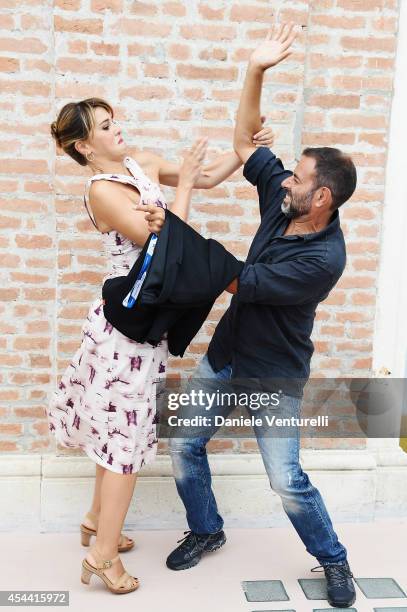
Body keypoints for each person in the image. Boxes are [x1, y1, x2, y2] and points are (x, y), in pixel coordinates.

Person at [47, 97, 275, 594]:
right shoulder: (104, 192)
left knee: (114, 432)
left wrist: (244, 150)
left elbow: (210, 175)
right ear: (84, 145)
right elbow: (165, 257)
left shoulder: (140, 164)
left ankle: (94, 521)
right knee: (124, 446)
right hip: (125, 333)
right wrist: (187, 183)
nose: (118, 130)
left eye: (115, 121)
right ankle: (102, 558)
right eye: (106, 127)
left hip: (144, 328)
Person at [166, 24, 358, 610]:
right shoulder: (285, 201)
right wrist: (255, 71)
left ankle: (334, 559)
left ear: (320, 197)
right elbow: (248, 145)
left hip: (274, 375)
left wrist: (175, 235)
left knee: (285, 480)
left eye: (299, 177)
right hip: (226, 356)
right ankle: (207, 528)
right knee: (183, 445)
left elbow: (238, 279)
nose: (288, 180)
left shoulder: (324, 259)